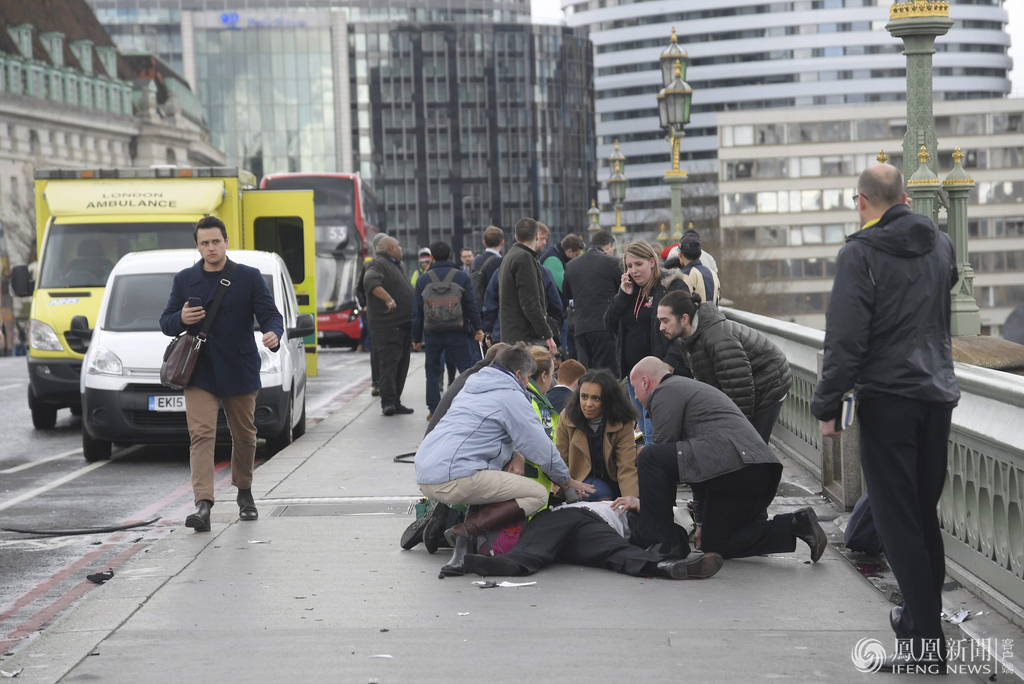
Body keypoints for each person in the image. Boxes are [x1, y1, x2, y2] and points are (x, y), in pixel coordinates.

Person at [811, 164, 960, 672]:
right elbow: (949, 285)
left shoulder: (861, 252)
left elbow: (846, 337)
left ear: (861, 202)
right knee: (922, 516)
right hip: (937, 395)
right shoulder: (940, 244)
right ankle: (919, 624)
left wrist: (828, 404)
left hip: (889, 398)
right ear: (905, 199)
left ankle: (926, 645)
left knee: (898, 525)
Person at [414, 343, 595, 576]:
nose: (528, 384)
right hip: (455, 475)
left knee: (489, 481)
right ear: (519, 375)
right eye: (528, 378)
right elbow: (540, 446)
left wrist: (514, 454)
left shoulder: (473, 388)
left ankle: (462, 553)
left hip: (426, 473)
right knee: (537, 494)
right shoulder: (511, 395)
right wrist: (566, 480)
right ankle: (465, 531)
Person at [629, 357, 827, 562]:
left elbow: (662, 456)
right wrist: (700, 523)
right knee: (715, 544)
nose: (635, 396)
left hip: (736, 466)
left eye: (634, 389)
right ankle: (795, 525)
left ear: (645, 382)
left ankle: (663, 545)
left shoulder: (665, 391)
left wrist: (649, 509)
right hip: (756, 472)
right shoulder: (690, 389)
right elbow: (691, 466)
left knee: (649, 456)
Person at [159, 216, 284, 531]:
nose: (211, 247)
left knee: (244, 435)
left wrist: (273, 335)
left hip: (239, 367)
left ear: (226, 241)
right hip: (199, 371)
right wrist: (181, 318)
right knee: (201, 435)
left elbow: (271, 315)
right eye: (204, 243)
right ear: (198, 246)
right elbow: (165, 321)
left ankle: (244, 492)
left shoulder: (249, 277)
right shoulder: (185, 279)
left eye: (216, 241)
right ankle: (203, 505)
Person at [460, 499, 723, 580]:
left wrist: (647, 510)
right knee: (615, 551)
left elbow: (674, 538)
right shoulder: (630, 506)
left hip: (587, 530)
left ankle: (664, 567)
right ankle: (661, 566)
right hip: (570, 516)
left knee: (615, 551)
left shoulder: (652, 525)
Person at [658, 291, 792, 444]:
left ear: (684, 319)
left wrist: (736, 431)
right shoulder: (688, 338)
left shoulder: (717, 339)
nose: (661, 327)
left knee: (753, 448)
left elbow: (741, 391)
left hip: (769, 381)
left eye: (665, 321)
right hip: (749, 382)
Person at [604, 240, 689, 443]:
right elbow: (609, 324)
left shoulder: (671, 285)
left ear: (652, 262)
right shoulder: (630, 290)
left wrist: (670, 362)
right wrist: (623, 296)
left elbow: (686, 327)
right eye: (629, 266)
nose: (633, 270)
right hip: (635, 377)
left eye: (638, 264)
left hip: (660, 374)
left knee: (654, 435)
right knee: (644, 431)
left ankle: (658, 473)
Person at [411, 241, 485, 420]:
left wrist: (416, 337)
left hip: (432, 332)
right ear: (451, 255)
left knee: (433, 371)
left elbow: (417, 311)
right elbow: (470, 305)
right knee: (465, 369)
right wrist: (478, 328)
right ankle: (468, 404)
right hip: (457, 331)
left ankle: (433, 409)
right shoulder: (460, 277)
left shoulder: (423, 279)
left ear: (432, 257)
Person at [557, 369, 639, 501]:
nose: (588, 404)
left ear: (607, 400)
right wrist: (567, 489)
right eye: (584, 397)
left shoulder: (623, 421)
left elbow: (626, 466)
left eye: (596, 398)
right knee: (598, 493)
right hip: (581, 480)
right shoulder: (567, 417)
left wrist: (631, 500)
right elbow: (561, 460)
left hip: (616, 479)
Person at [363, 236, 416, 416]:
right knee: (389, 364)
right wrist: (389, 299)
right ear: (392, 248)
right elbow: (370, 282)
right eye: (399, 246)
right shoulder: (378, 264)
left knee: (401, 364)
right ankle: (388, 403)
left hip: (403, 324)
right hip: (389, 326)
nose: (401, 249)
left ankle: (396, 400)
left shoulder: (394, 265)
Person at [562, 231, 621, 374]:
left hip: (581, 328)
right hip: (605, 328)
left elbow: (567, 293)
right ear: (608, 246)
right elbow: (625, 290)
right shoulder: (612, 262)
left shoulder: (571, 265)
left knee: (587, 374)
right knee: (607, 375)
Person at [498, 218, 556, 353]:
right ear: (537, 235)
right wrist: (547, 334)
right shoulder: (524, 258)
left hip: (511, 337)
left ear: (516, 237)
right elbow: (530, 303)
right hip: (525, 340)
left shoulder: (509, 256)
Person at [356, 233, 390, 396]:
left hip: (391, 314)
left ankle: (389, 383)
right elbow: (359, 288)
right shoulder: (367, 265)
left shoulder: (396, 264)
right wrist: (364, 306)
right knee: (376, 348)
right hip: (373, 315)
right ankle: (376, 382)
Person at [541, 234, 585, 360]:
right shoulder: (553, 259)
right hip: (554, 315)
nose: (577, 259)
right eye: (576, 255)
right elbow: (564, 286)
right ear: (569, 251)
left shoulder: (557, 255)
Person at [675, 229, 721, 305]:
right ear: (700, 254)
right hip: (714, 316)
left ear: (680, 254)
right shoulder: (713, 274)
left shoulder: (685, 275)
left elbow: (681, 305)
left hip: (695, 317)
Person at [526, 346, 558, 443]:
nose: (553, 380)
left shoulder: (519, 393)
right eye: (552, 375)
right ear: (544, 376)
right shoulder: (536, 404)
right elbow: (546, 447)